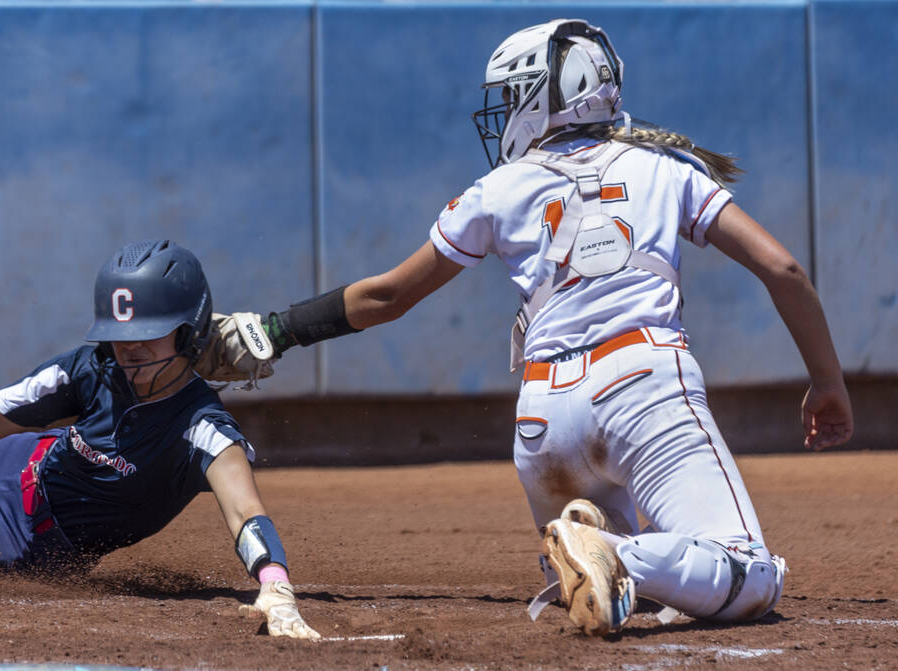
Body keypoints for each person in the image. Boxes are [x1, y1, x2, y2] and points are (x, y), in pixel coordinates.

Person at [201, 19, 854, 636]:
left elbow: (388, 294)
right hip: (646, 386)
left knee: (629, 584)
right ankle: (611, 552)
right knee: (752, 574)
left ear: (552, 97)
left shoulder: (500, 187)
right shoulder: (666, 166)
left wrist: (277, 329)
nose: (507, 108)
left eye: (516, 93)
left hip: (544, 420)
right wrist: (827, 381)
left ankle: (596, 552)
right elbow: (784, 269)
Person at [0, 239, 320, 640]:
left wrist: (275, 583)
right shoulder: (92, 368)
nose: (128, 351)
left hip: (20, 535)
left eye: (146, 336)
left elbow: (244, 510)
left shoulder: (201, 427)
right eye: (119, 337)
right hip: (17, 462)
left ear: (190, 333)